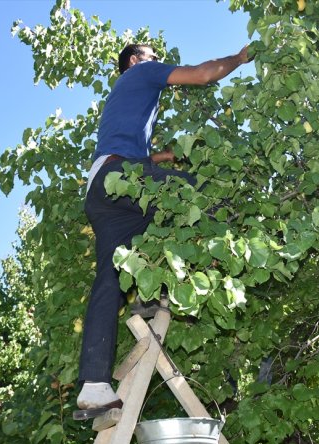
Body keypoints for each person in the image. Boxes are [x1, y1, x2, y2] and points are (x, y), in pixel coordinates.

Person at [74, 43, 252, 419]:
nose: (158, 61)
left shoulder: (121, 99)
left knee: (111, 279)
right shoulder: (140, 73)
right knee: (196, 192)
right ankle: (166, 285)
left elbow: (128, 153)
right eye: (153, 55)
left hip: (103, 190)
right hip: (122, 178)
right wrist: (239, 58)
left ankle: (94, 386)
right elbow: (203, 74)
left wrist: (161, 157)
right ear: (136, 61)